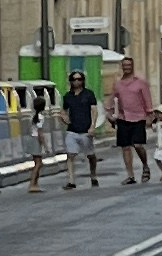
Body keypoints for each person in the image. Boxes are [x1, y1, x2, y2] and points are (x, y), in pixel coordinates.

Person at [109, 55, 156, 185]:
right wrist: (109, 113)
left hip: (139, 117)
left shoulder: (141, 82)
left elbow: (147, 100)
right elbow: (113, 99)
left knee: (138, 145)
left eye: (129, 65)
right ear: (122, 67)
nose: (127, 68)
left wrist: (149, 116)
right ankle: (130, 175)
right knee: (125, 147)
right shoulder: (118, 84)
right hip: (123, 117)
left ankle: (145, 165)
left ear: (132, 66)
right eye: (125, 66)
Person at [61, 62, 101, 188]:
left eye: (79, 79)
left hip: (86, 129)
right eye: (74, 79)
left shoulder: (89, 94)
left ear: (83, 81)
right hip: (72, 130)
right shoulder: (68, 96)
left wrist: (93, 126)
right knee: (70, 155)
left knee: (90, 155)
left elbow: (94, 110)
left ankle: (93, 175)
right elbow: (64, 110)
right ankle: (71, 180)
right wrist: (64, 118)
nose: (76, 82)